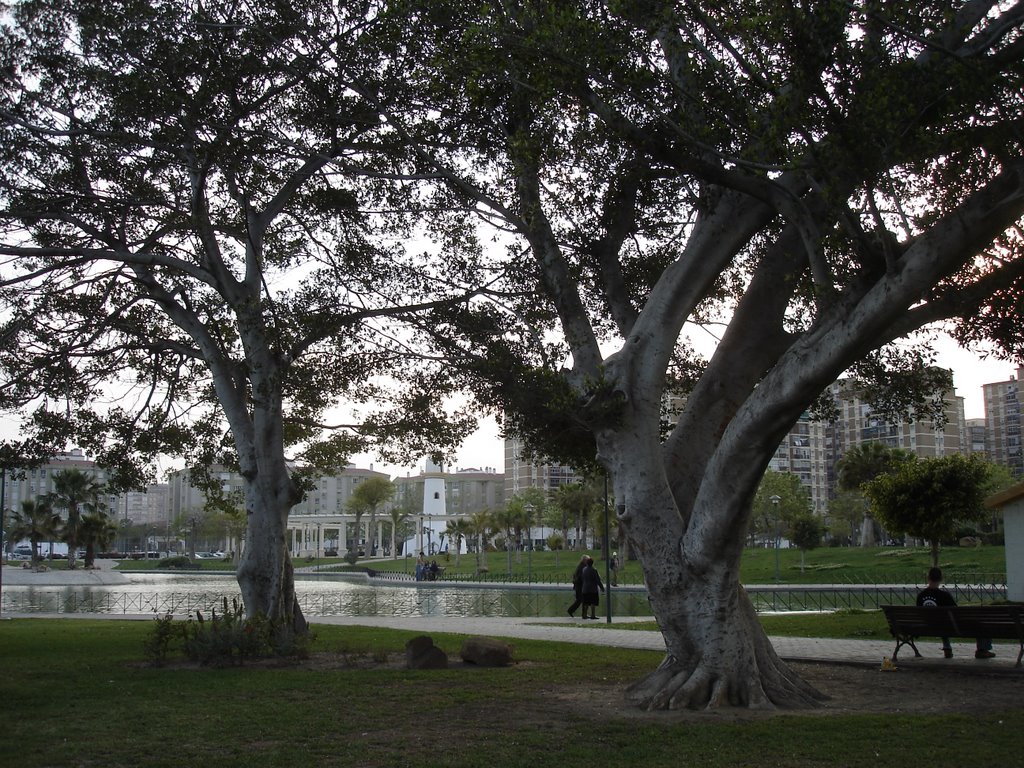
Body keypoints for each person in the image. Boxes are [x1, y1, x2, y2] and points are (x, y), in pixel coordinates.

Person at [916, 566, 994, 659]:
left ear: (928, 578)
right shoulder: (944, 596)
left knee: (941, 622)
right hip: (948, 626)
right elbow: (957, 613)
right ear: (941, 579)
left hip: (928, 626)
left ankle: (947, 647)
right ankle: (982, 650)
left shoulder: (921, 596)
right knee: (980, 624)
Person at [580, 556, 605, 620]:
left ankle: (584, 615)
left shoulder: (584, 569)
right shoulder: (594, 570)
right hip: (593, 589)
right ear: (592, 563)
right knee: (593, 603)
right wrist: (602, 588)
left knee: (586, 603)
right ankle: (593, 615)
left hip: (585, 588)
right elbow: (598, 580)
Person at [567, 554, 588, 618]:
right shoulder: (582, 567)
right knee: (581, 600)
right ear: (584, 560)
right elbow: (581, 577)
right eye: (587, 560)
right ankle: (571, 611)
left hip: (579, 586)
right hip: (580, 586)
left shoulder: (581, 566)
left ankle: (583, 614)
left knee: (581, 600)